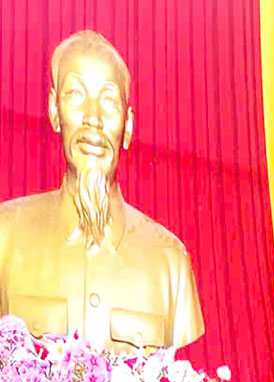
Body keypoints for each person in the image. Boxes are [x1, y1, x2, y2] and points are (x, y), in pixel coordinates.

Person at [0, 30, 204, 353]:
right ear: (54, 110)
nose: (93, 119)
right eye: (76, 95)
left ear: (129, 126)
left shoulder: (170, 263)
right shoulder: (5, 237)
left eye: (108, 100)